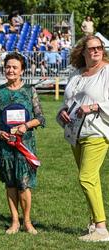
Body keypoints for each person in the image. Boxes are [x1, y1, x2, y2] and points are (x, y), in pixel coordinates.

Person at [0, 52, 45, 235]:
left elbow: (41, 118)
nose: (10, 70)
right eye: (8, 67)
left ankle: (27, 222)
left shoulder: (30, 91)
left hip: (24, 146)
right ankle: (14, 221)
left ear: (22, 71)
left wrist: (25, 126)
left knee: (24, 184)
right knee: (10, 183)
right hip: (4, 147)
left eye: (15, 67)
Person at [57, 35, 109, 242]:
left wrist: (95, 107)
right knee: (91, 180)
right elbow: (68, 100)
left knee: (86, 177)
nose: (96, 51)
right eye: (92, 48)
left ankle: (101, 229)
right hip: (75, 132)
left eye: (99, 48)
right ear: (83, 52)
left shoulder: (107, 71)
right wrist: (62, 111)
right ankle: (94, 223)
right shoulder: (77, 74)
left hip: (97, 131)